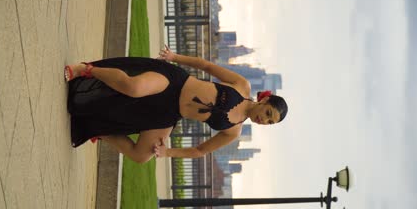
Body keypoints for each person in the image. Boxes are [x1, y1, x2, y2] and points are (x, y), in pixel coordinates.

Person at [64, 46, 288, 163]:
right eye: (268, 113)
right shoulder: (242, 85)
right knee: (134, 88)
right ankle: (86, 70)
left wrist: (167, 151)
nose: (264, 120)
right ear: (265, 99)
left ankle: (100, 131)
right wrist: (175, 57)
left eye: (269, 122)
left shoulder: (233, 131)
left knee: (141, 156)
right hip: (174, 83)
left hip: (170, 113)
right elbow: (207, 67)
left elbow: (200, 151)